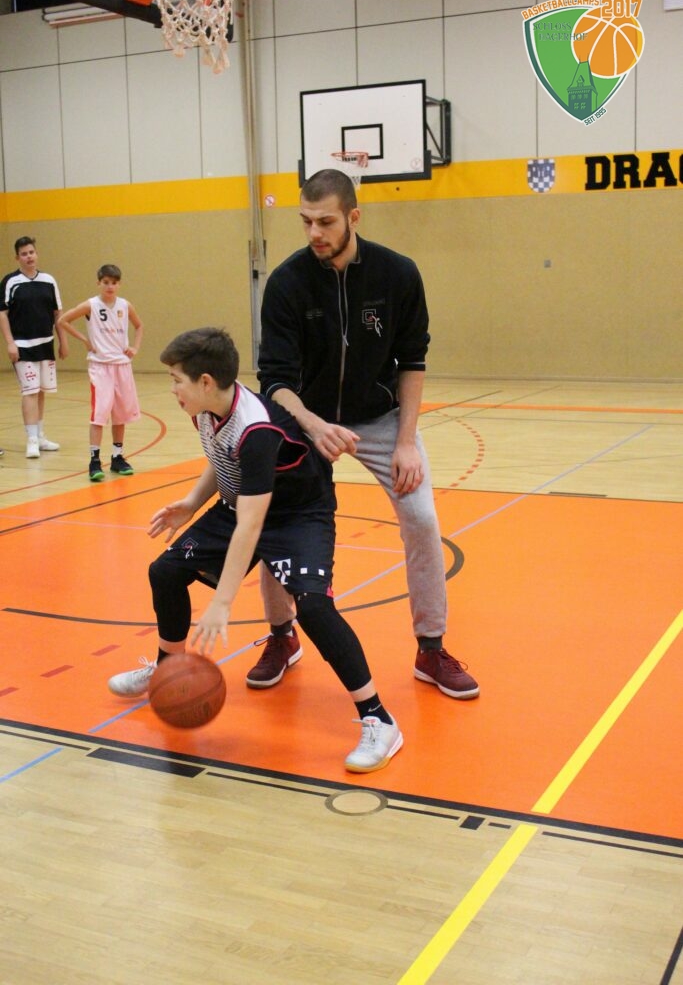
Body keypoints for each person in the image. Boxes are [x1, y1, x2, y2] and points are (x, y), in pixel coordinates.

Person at [107, 327, 403, 773]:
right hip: (243, 502)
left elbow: (251, 524)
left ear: (206, 381)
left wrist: (223, 602)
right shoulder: (206, 409)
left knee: (314, 607)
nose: (172, 389)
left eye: (176, 380)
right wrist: (192, 502)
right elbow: (222, 458)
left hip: (297, 514)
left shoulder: (256, 428)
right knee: (165, 571)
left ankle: (379, 718)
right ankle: (168, 670)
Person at [253, 168, 479, 701]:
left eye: (326, 221)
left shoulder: (397, 274)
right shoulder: (286, 283)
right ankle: (282, 635)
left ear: (353, 217)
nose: (314, 233)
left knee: (421, 519)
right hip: (306, 421)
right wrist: (312, 426)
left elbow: (413, 360)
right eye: (306, 221)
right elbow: (275, 381)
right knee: (276, 523)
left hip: (380, 419)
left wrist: (406, 441)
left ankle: (431, 648)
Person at [58, 264, 143, 481]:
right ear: (98, 283)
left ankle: (117, 457)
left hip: (122, 365)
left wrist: (134, 348)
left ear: (119, 284)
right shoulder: (91, 305)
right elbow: (63, 320)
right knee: (99, 414)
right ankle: (94, 461)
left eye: (114, 283)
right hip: (100, 366)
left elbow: (139, 326)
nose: (110, 286)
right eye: (106, 282)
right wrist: (84, 340)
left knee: (120, 415)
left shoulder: (125, 305)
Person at [0, 236, 68, 458]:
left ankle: (40, 436)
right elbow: (2, 314)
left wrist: (63, 341)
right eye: (24, 254)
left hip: (46, 344)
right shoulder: (10, 282)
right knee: (29, 391)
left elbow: (58, 314)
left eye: (31, 252)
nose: (29, 257)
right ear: (17, 258)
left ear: (36, 254)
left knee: (40, 391)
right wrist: (10, 343)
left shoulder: (49, 281)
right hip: (22, 346)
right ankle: (30, 440)